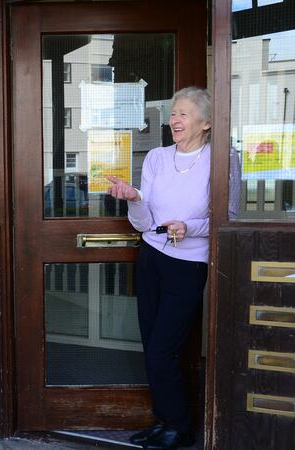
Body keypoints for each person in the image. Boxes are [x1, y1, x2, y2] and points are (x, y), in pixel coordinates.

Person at [106, 87, 234, 450]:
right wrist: (133, 200)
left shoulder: (222, 160)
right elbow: (144, 223)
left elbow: (228, 218)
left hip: (188, 265)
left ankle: (179, 425)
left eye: (183, 113)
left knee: (164, 349)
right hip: (150, 257)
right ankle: (164, 420)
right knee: (151, 345)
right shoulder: (157, 159)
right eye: (173, 113)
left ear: (206, 122)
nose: (174, 120)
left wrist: (188, 227)